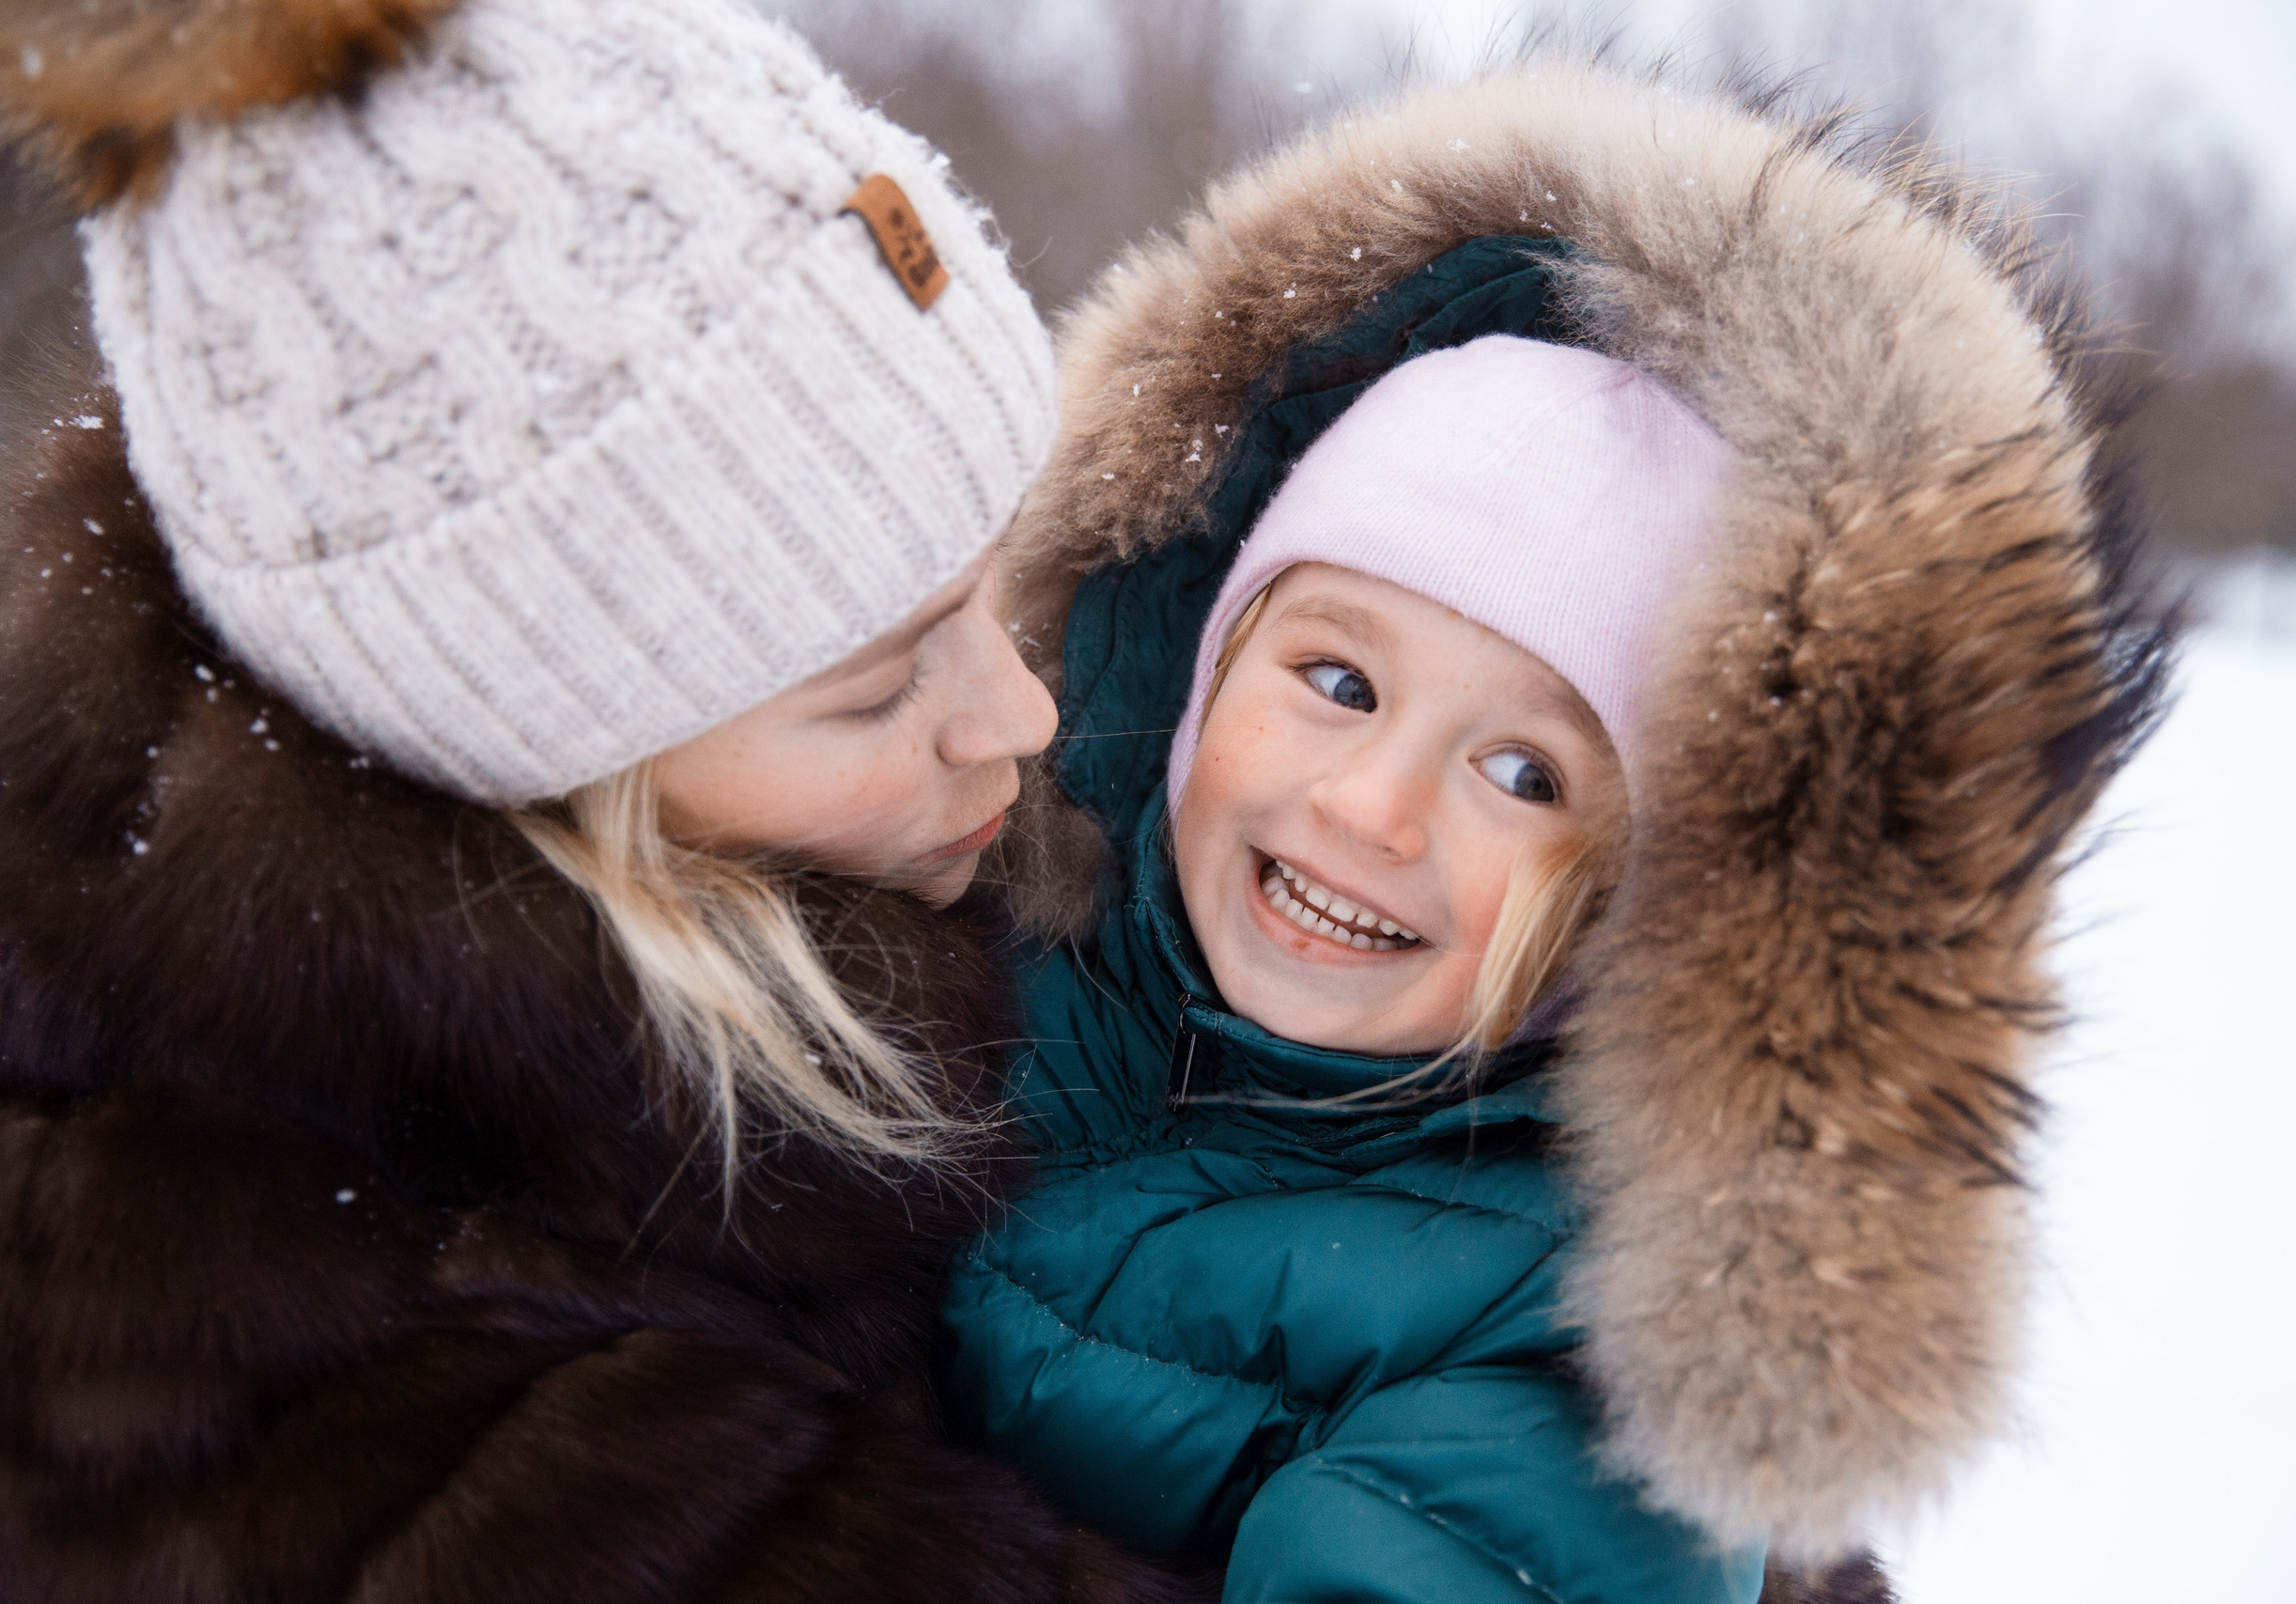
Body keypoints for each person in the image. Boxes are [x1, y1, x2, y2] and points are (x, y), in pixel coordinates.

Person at [0, 1, 1195, 1599]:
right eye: (876, 683)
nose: (1021, 714)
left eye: (988, 592)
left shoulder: (761, 925)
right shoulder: (346, 1426)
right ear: (526, 754)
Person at [948, 61, 2170, 1603]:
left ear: (1657, 911)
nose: (1369, 808)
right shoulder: (943, 975)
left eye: (1524, 774)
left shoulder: (1556, 1359)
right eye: (1336, 679)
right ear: (1198, 669)